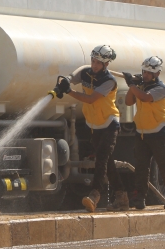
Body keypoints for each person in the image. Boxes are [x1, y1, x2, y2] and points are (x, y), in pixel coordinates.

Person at [54, 45, 128, 213]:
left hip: (110, 123)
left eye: (98, 63)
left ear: (106, 64)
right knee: (107, 163)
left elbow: (90, 99)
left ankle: (94, 195)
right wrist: (64, 83)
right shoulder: (85, 72)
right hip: (94, 124)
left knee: (101, 159)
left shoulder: (109, 81)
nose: (94, 65)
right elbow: (72, 78)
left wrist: (69, 91)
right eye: (93, 61)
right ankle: (122, 197)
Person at [123, 56, 165, 210]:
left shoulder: (161, 89)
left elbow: (146, 98)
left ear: (157, 74)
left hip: (159, 132)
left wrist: (132, 85)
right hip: (142, 133)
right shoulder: (140, 87)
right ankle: (139, 198)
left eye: (149, 72)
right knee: (141, 168)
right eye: (144, 71)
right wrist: (132, 86)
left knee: (164, 166)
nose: (145, 75)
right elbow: (129, 102)